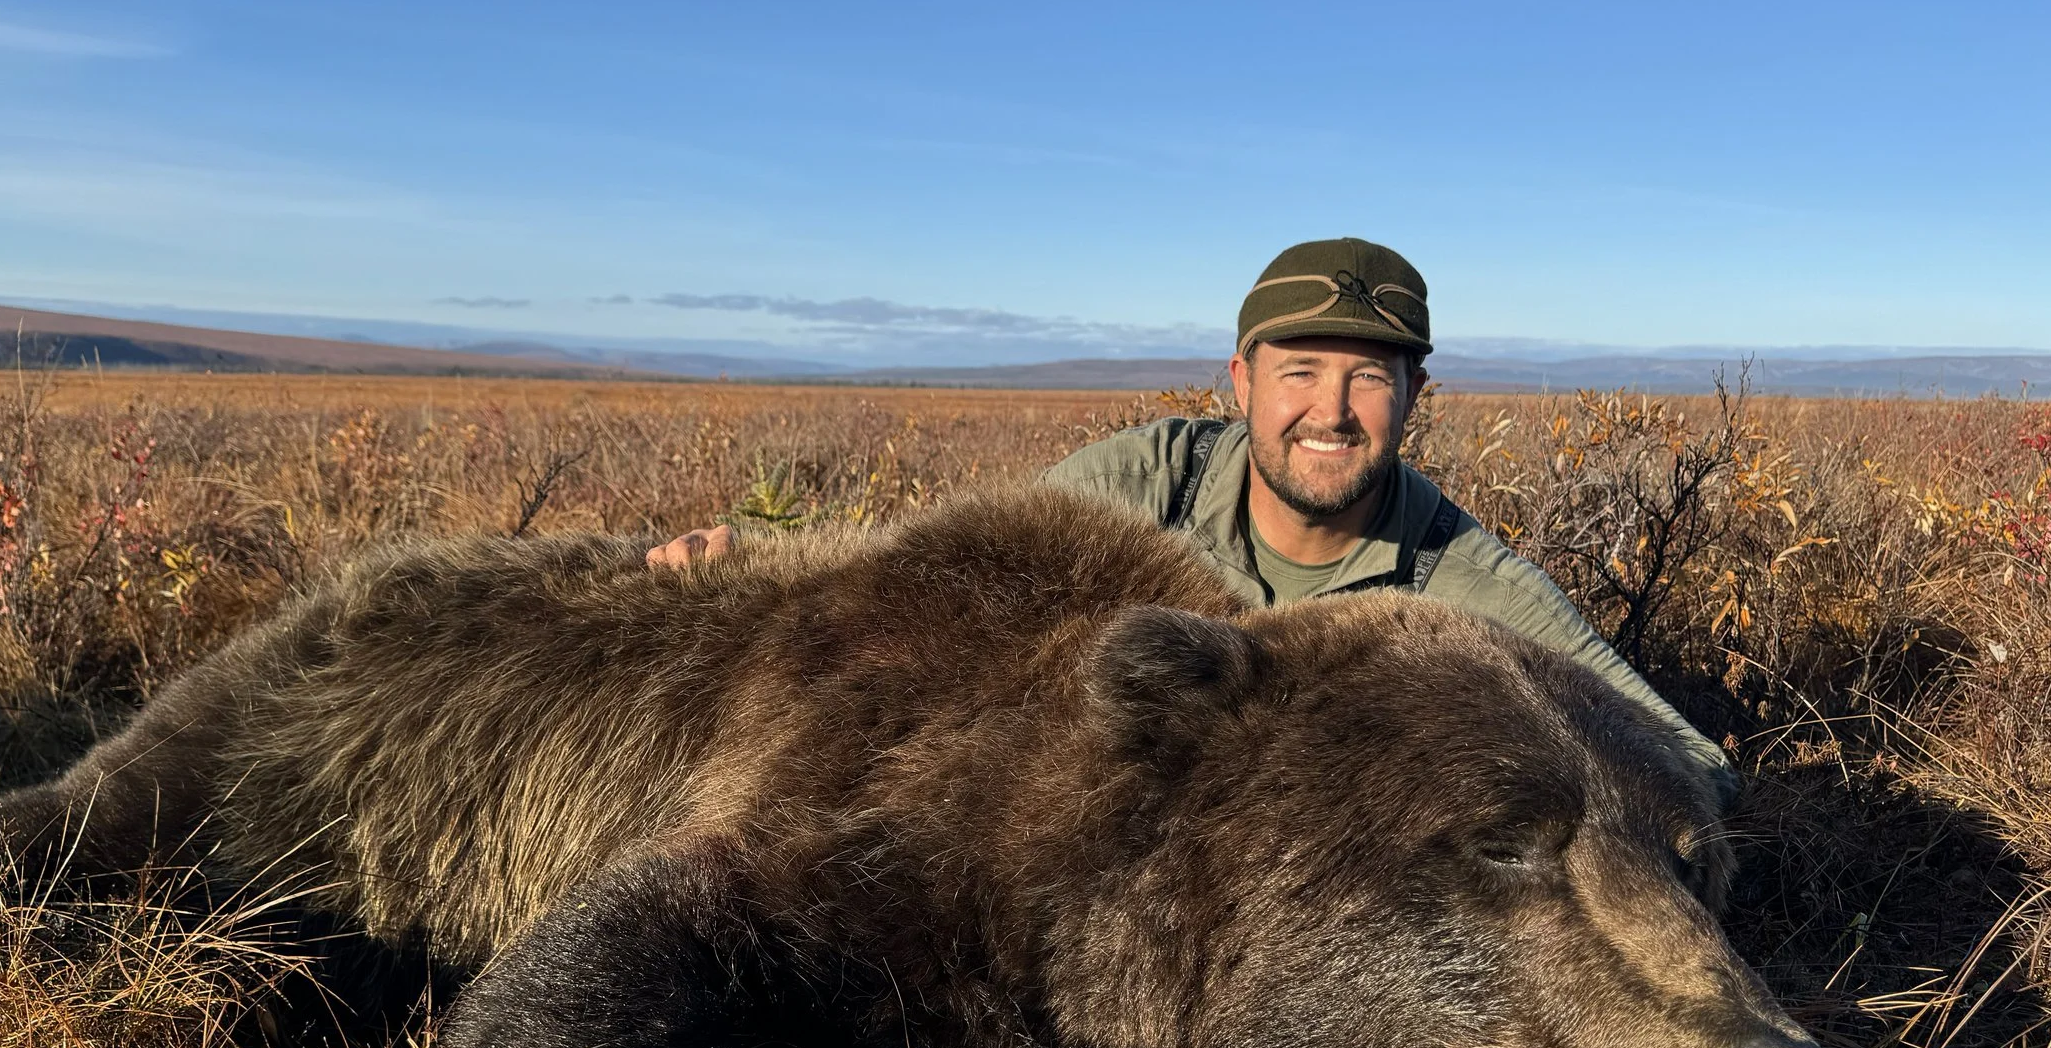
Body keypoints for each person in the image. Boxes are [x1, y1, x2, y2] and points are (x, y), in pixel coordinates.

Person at [649, 236, 1732, 802]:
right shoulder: (1152, 475)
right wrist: (769, 556)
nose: (1330, 411)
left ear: (1414, 399)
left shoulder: (1459, 576)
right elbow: (941, 566)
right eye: (1299, 371)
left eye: (1368, 379)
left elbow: (1680, 759)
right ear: (1240, 381)